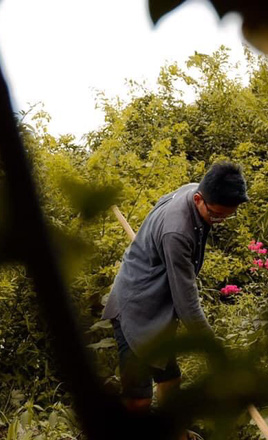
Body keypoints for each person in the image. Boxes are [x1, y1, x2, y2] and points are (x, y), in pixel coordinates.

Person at [103, 161, 249, 412]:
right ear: (198, 199)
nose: (218, 221)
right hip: (135, 308)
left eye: (226, 216)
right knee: (138, 398)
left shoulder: (196, 191)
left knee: (170, 380)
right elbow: (186, 303)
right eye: (215, 214)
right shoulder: (177, 232)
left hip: (156, 308)